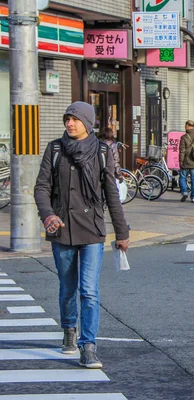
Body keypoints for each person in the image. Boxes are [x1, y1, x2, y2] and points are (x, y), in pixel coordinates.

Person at [34, 101, 130, 369]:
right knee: (67, 289)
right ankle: (69, 329)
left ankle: (88, 346)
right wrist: (48, 215)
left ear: (87, 122)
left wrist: (122, 232)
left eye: (75, 119)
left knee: (88, 291)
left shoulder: (101, 151)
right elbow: (41, 187)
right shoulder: (55, 149)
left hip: (92, 230)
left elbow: (111, 194)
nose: (69, 123)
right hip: (62, 228)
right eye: (67, 118)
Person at [179, 120, 194, 203]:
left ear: (187, 126)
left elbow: (182, 151)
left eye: (185, 126)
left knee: (182, 177)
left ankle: (184, 191)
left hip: (186, 162)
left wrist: (181, 161)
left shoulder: (184, 137)